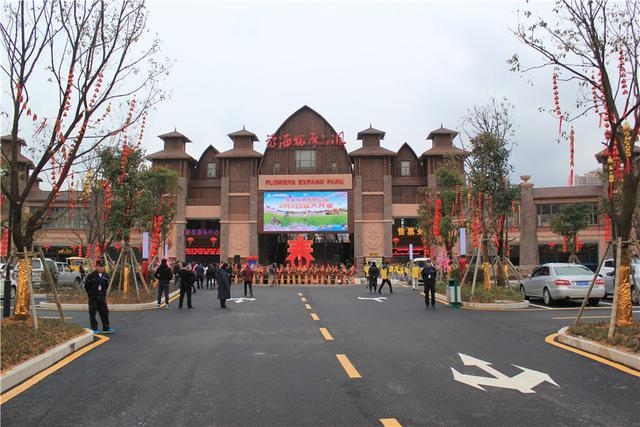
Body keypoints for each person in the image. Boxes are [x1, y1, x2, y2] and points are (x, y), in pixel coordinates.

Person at [84, 260, 115, 334]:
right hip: (93, 297)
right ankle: (94, 328)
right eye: (99, 266)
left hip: (102, 296)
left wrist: (103, 293)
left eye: (102, 266)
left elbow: (106, 286)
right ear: (96, 267)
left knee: (105, 312)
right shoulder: (91, 275)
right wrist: (91, 294)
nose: (101, 268)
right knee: (92, 313)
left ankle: (106, 328)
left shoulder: (105, 276)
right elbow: (86, 286)